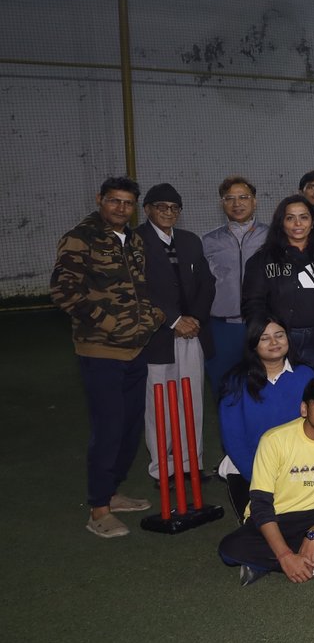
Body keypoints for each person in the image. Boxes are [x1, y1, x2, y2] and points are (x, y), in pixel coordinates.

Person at [52, 177, 164, 536]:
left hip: (136, 348)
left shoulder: (133, 240)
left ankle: (112, 492)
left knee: (130, 426)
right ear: (100, 199)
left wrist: (153, 318)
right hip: (100, 349)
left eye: (127, 203)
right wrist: (110, 323)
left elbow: (142, 286)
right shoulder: (80, 238)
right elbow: (63, 291)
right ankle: (98, 509)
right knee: (109, 427)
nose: (120, 208)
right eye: (114, 201)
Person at [217, 376, 314, 585]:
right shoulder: (274, 441)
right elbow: (261, 505)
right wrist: (284, 555)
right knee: (230, 549)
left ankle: (266, 564)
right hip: (277, 518)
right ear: (304, 409)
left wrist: (313, 535)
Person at [136, 183, 216, 483]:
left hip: (192, 333)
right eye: (161, 207)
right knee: (160, 404)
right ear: (147, 209)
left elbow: (207, 284)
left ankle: (190, 463)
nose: (168, 213)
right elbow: (137, 290)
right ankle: (163, 468)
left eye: (174, 208)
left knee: (191, 401)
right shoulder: (135, 241)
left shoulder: (190, 241)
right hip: (157, 336)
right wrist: (173, 320)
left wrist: (195, 319)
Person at [217, 317, 314, 517]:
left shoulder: (306, 375)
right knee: (260, 526)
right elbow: (233, 438)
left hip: (299, 468)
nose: (274, 342)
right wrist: (259, 478)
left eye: (279, 335)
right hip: (250, 468)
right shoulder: (236, 381)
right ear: (253, 344)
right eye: (264, 338)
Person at [242, 195, 314, 369]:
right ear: (281, 223)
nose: (298, 223)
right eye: (290, 218)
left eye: (304, 217)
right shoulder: (262, 260)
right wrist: (268, 337)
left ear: (313, 222)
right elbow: (252, 303)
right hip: (280, 342)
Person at [201, 175, 265, 391]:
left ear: (254, 201)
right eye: (229, 198)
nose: (237, 203)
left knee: (262, 386)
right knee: (223, 386)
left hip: (261, 324)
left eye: (243, 197)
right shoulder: (209, 240)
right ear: (222, 203)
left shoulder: (272, 236)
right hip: (222, 327)